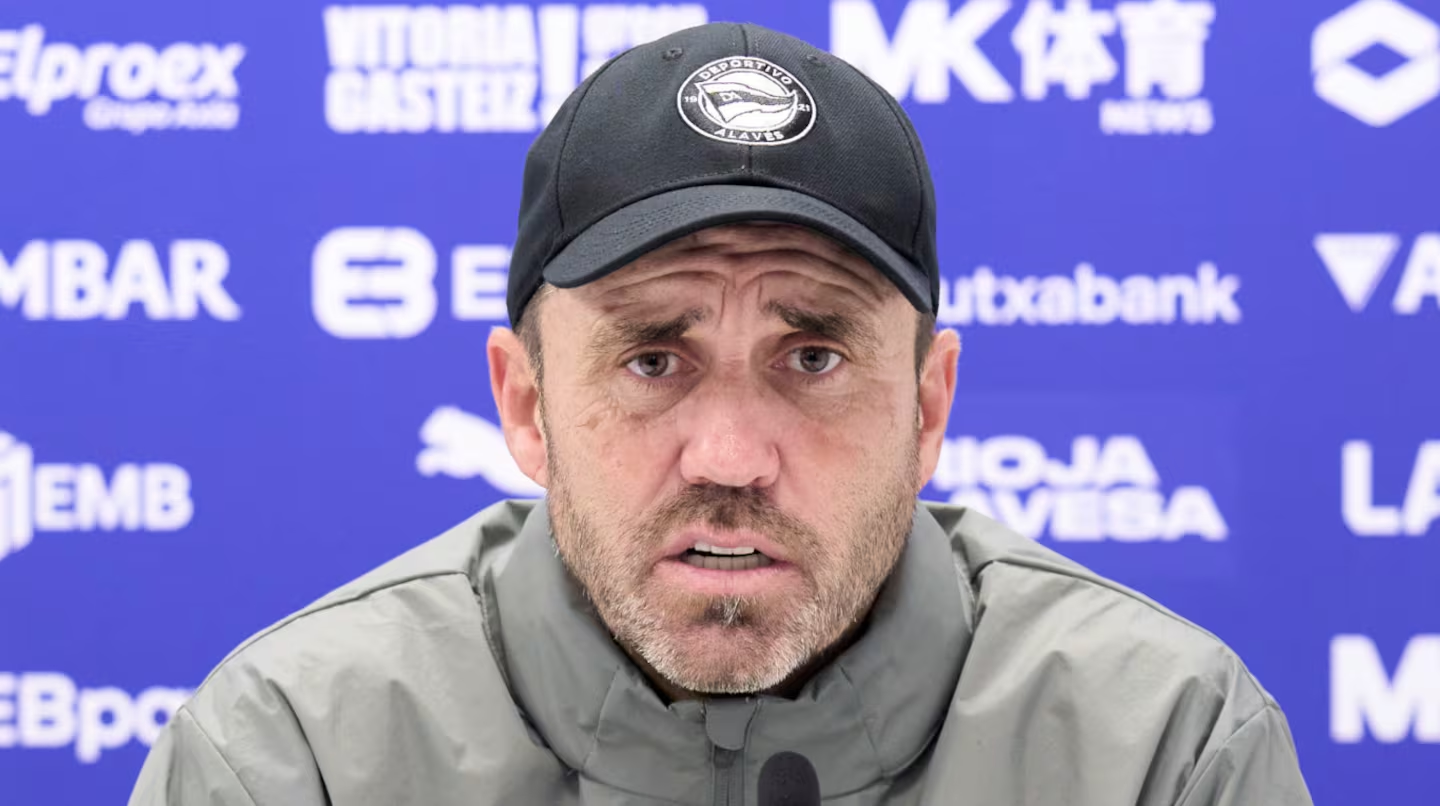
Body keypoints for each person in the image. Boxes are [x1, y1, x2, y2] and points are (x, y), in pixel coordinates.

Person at [129, 22, 1312, 806]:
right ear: (527, 403)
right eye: (653, 358)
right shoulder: (295, 755)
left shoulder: (1163, 746)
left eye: (813, 355)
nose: (732, 455)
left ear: (927, 404)